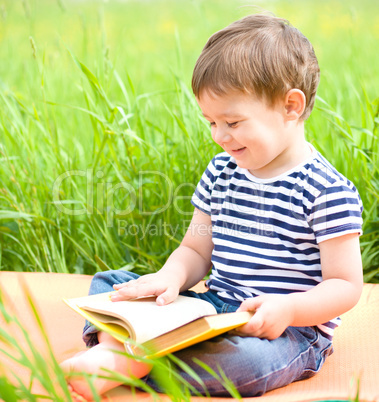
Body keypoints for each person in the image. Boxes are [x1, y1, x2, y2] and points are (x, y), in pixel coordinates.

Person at [61, 12, 364, 400]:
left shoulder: (326, 190)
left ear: (290, 106)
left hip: (284, 330)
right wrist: (171, 277)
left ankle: (127, 357)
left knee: (248, 364)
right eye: (211, 122)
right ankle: (133, 349)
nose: (220, 136)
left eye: (233, 122)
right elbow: (195, 250)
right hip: (213, 306)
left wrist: (290, 309)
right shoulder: (222, 171)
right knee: (113, 285)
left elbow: (345, 286)